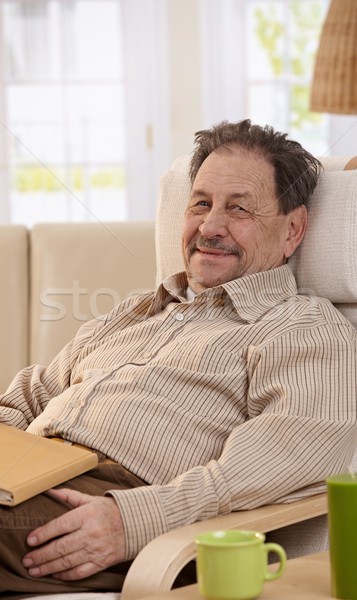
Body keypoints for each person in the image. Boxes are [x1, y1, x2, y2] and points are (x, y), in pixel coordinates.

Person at [1, 119, 356, 596]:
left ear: (293, 230)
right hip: (26, 471)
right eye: (202, 203)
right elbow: (33, 392)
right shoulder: (137, 311)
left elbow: (284, 459)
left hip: (108, 502)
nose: (210, 226)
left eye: (239, 209)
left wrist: (135, 520)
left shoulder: (304, 327)